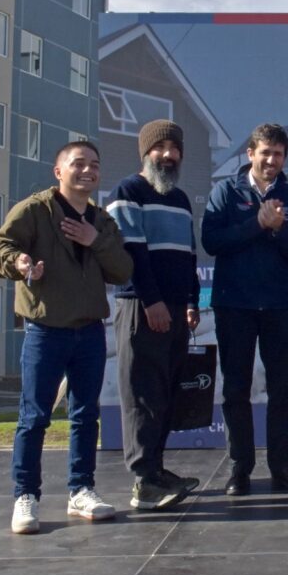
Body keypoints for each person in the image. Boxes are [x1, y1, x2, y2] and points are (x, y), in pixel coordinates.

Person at [0, 141, 133, 534]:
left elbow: (122, 270)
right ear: (58, 171)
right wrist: (19, 263)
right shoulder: (34, 210)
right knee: (34, 416)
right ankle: (26, 495)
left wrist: (93, 239)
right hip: (45, 330)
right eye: (78, 164)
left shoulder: (101, 220)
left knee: (85, 415)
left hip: (89, 332)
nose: (88, 171)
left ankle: (81, 489)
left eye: (94, 165)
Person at [201, 123, 288, 496]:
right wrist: (257, 224)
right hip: (234, 305)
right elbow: (211, 241)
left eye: (278, 154)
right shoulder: (225, 191)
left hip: (280, 306)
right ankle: (240, 469)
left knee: (282, 390)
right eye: (265, 152)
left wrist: (279, 228)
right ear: (250, 153)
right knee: (236, 389)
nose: (271, 160)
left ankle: (283, 469)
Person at [106, 119, 201, 510]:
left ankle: (157, 471)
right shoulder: (127, 191)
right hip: (142, 306)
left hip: (175, 308)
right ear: (145, 152)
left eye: (174, 148)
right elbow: (131, 253)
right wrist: (151, 301)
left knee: (165, 394)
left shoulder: (180, 199)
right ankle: (144, 482)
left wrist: (191, 301)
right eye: (160, 147)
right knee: (142, 393)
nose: (168, 155)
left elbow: (189, 256)